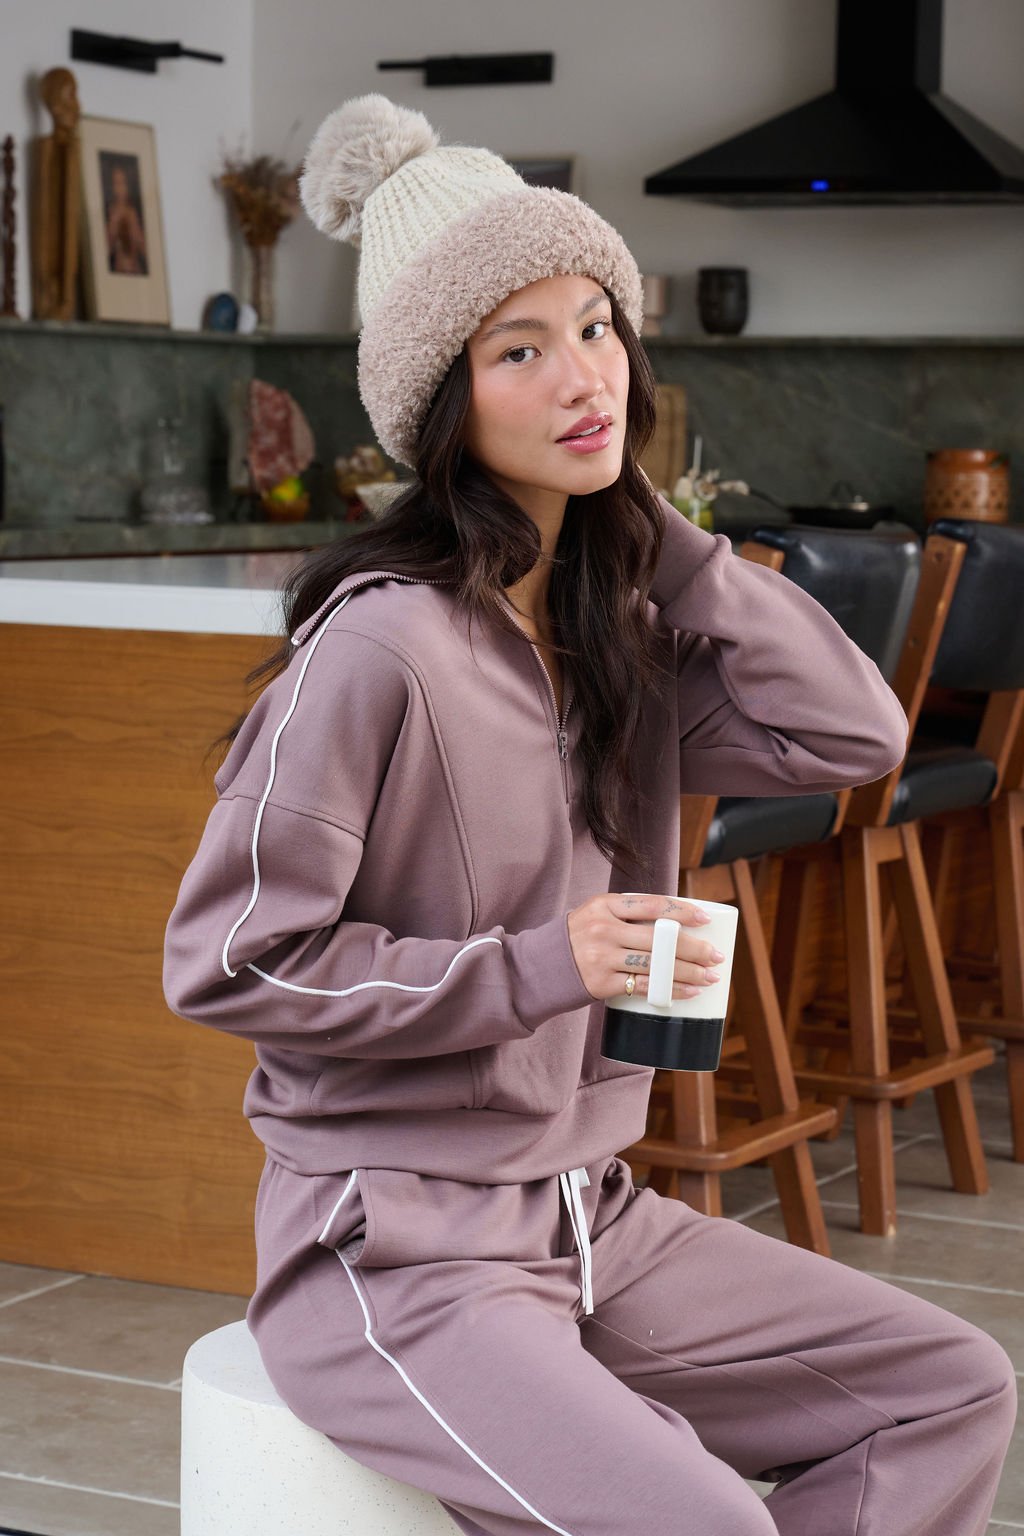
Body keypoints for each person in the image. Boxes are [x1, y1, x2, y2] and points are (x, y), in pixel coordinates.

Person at [163, 94, 1015, 1536]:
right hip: (396, 1255)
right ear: (446, 401)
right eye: (520, 348)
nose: (583, 376)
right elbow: (230, 960)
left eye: (596, 326)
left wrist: (663, 542)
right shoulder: (379, 651)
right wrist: (544, 965)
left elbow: (857, 733)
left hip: (588, 1217)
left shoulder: (621, 630)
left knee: (953, 1387)